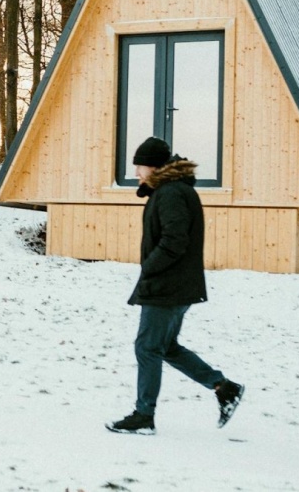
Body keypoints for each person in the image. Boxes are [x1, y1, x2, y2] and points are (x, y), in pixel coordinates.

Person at [106, 137, 244, 435]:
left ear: (154, 167)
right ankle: (223, 387)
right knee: (166, 347)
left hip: (167, 286)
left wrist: (149, 267)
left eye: (140, 167)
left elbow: (174, 239)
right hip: (176, 284)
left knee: (147, 347)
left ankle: (144, 415)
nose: (136, 173)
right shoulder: (171, 190)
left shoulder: (170, 193)